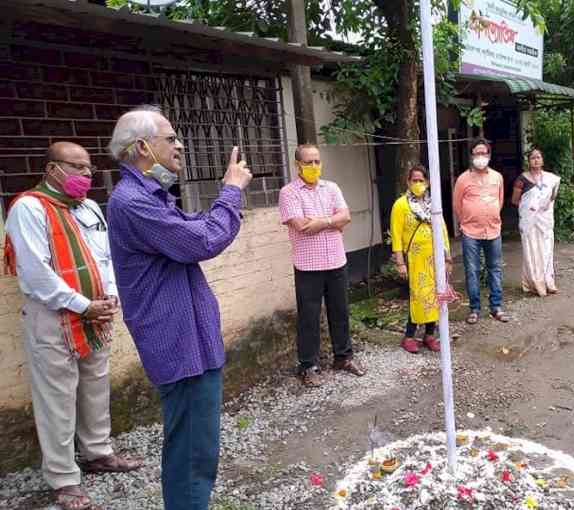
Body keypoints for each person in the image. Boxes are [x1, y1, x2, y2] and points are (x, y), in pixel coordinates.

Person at [106, 105, 253, 510]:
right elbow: (202, 242)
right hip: (177, 344)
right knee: (191, 454)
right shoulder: (133, 202)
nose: (180, 145)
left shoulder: (153, 195)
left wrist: (223, 202)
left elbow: (199, 231)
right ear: (141, 147)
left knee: (198, 449)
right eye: (170, 138)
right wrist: (231, 189)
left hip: (193, 341)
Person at [3, 142, 141, 510]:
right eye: (76, 167)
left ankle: (98, 452)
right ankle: (64, 479)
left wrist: (109, 295)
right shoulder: (29, 208)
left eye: (88, 169)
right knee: (57, 399)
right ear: (51, 170)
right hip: (54, 319)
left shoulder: (90, 207)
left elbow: (106, 257)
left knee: (95, 386)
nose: (85, 175)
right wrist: (83, 305)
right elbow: (34, 273)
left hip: (97, 315)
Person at [278, 144, 366, 387]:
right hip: (308, 266)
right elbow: (301, 225)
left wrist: (321, 221)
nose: (314, 166)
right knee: (309, 317)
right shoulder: (289, 193)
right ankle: (308, 366)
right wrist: (332, 221)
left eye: (317, 161)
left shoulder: (332, 188)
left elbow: (346, 217)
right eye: (308, 162)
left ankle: (343, 357)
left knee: (340, 311)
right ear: (298, 165)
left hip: (336, 260)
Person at [390, 164, 452, 353]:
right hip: (414, 260)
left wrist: (447, 257)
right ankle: (409, 336)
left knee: (436, 296)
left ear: (427, 182)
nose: (418, 184)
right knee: (417, 297)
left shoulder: (433, 204)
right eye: (414, 180)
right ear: (408, 182)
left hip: (435, 259)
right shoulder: (401, 205)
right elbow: (396, 235)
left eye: (421, 180)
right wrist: (400, 262)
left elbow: (442, 229)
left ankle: (429, 335)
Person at [452, 138, 508, 324]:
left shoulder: (497, 177)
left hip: (493, 230)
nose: (480, 156)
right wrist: (467, 221)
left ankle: (496, 306)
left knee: (495, 269)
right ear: (471, 156)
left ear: (489, 155)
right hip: (470, 232)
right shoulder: (463, 179)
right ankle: (474, 309)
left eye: (484, 153)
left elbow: (499, 201)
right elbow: (457, 205)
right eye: (477, 153)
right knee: (472, 271)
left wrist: (489, 216)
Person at [511, 148, 561, 296]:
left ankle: (548, 281)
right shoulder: (522, 179)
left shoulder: (551, 179)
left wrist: (542, 207)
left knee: (546, 248)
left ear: (542, 160)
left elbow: (552, 197)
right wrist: (530, 208)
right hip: (529, 221)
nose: (536, 160)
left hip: (545, 221)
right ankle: (535, 282)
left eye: (538, 157)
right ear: (528, 161)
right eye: (533, 158)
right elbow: (515, 200)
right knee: (531, 248)